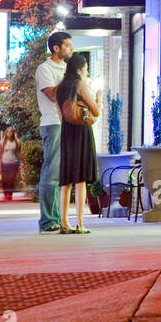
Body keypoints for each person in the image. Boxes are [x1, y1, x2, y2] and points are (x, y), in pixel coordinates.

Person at [56, 53, 100, 234]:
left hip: (66, 133)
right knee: (80, 180)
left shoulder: (59, 88)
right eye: (86, 69)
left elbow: (61, 115)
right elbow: (96, 112)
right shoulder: (80, 85)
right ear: (79, 69)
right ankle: (80, 223)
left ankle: (64, 223)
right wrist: (99, 98)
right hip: (82, 133)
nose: (86, 72)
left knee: (66, 180)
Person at [34, 30, 73, 233]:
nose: (71, 48)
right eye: (67, 45)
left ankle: (60, 219)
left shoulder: (68, 69)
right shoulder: (44, 69)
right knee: (51, 172)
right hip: (52, 124)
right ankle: (48, 221)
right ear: (56, 48)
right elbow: (52, 95)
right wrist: (71, 81)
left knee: (62, 173)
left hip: (68, 124)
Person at [0, 126, 21, 200]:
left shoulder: (17, 141)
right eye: (8, 132)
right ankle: (5, 193)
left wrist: (19, 162)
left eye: (11, 131)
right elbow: (0, 152)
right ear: (6, 133)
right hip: (5, 162)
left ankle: (10, 194)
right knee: (5, 179)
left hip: (14, 162)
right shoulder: (3, 141)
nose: (9, 133)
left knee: (11, 179)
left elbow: (19, 152)